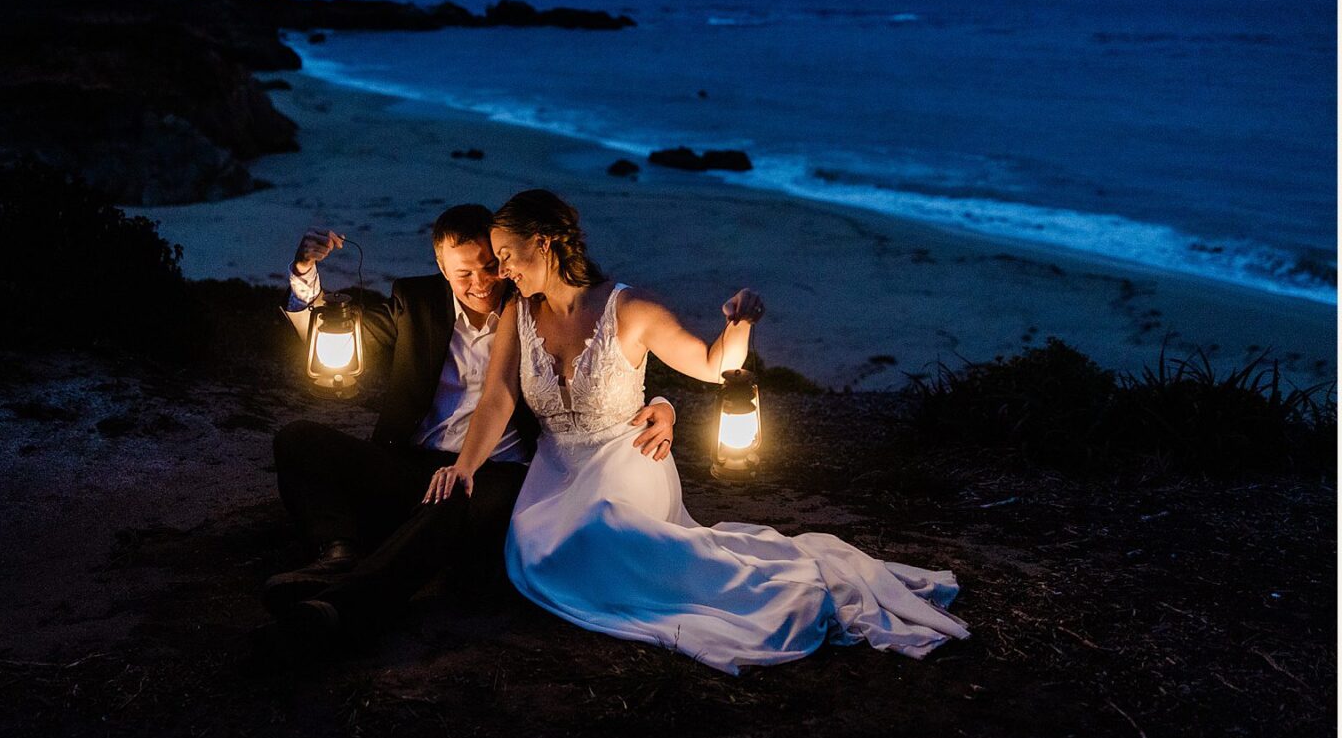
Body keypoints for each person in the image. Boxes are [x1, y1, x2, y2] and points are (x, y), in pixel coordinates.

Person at [425, 190, 970, 675]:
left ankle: (764, 590)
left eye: (508, 257)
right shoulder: (517, 314)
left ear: (543, 244)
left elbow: (713, 366)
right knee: (536, 548)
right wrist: (465, 466)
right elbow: (498, 395)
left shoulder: (629, 308)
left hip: (629, 452)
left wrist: (739, 324)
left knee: (600, 526)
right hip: (556, 468)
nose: (503, 271)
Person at [264, 204, 677, 649]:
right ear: (441, 266)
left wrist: (662, 402)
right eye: (463, 274)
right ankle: (338, 554)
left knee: (453, 496)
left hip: (493, 475)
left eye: (489, 268)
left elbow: (600, 371)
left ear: (502, 262)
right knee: (299, 439)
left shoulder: (532, 309)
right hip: (411, 461)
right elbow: (333, 333)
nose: (479, 284)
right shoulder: (414, 302)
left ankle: (338, 609)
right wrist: (306, 274)